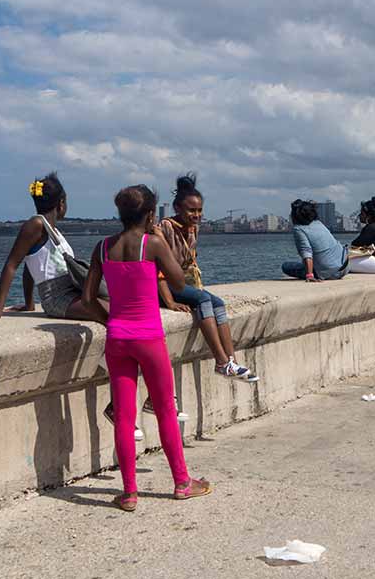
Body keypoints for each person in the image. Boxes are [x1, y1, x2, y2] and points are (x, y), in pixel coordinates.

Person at [81, 185, 210, 512]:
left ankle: (129, 494)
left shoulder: (102, 247)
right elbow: (180, 282)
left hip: (118, 338)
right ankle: (182, 482)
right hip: (149, 336)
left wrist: (109, 320)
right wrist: (163, 243)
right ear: (152, 214)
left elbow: (86, 298)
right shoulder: (152, 244)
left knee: (124, 417)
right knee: (165, 409)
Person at [157, 174, 255, 381]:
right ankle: (220, 362)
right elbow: (157, 268)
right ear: (177, 209)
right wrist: (170, 301)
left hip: (181, 281)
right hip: (164, 285)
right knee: (202, 299)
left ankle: (231, 360)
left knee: (217, 302)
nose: (197, 214)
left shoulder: (193, 229)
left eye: (199, 210)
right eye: (191, 210)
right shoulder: (164, 227)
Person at [0, 173, 104, 322]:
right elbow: (11, 265)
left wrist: (29, 304)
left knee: (122, 306)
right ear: (61, 203)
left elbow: (31, 265)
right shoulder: (36, 224)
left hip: (73, 291)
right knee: (112, 311)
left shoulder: (53, 231)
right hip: (57, 298)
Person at [283, 199, 350, 281]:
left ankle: (312, 271)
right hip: (345, 266)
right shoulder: (318, 223)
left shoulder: (299, 229)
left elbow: (306, 252)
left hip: (331, 273)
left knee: (286, 266)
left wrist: (309, 275)